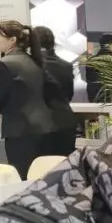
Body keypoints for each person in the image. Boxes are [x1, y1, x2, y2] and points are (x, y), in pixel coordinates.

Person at [0, 21, 75, 177]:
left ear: (12, 40)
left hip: (22, 132)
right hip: (47, 130)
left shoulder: (6, 64)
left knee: (24, 181)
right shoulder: (33, 61)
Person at [33, 25, 78, 157]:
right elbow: (69, 94)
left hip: (40, 127)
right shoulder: (67, 65)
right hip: (66, 123)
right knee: (63, 166)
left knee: (37, 167)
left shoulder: (31, 65)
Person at [83, 33, 112, 103]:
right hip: (111, 100)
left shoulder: (91, 60)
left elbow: (89, 80)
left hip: (94, 99)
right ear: (111, 45)